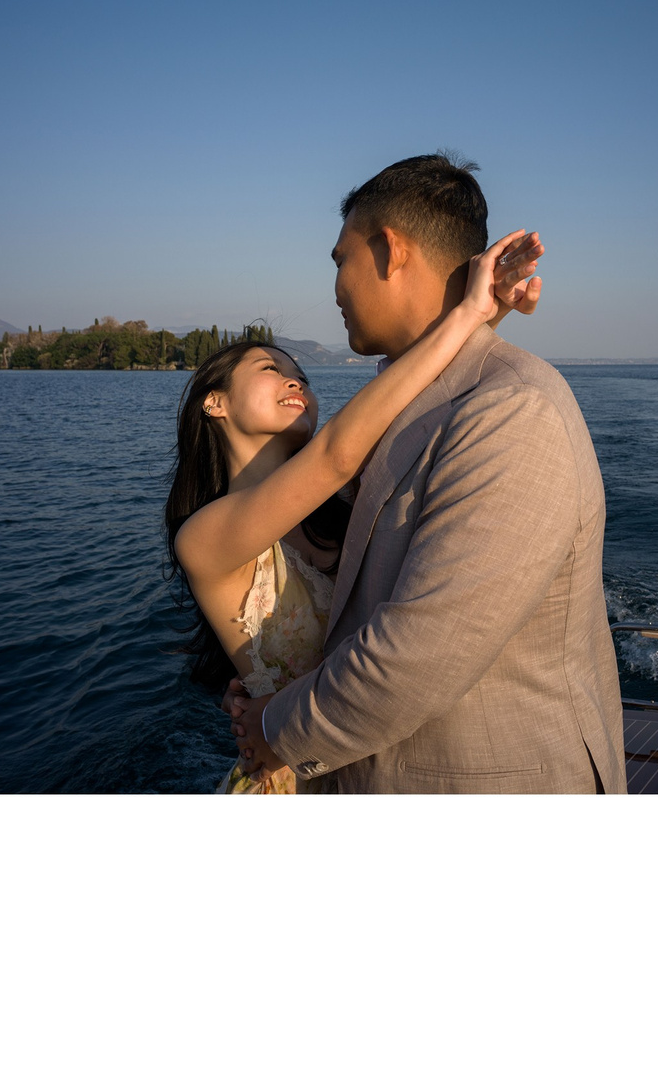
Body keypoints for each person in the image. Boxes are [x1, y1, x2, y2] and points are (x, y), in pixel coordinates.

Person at [223, 153, 626, 793]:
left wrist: (275, 726)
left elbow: (420, 658)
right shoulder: (413, 400)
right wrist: (274, 673)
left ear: (390, 251)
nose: (335, 287)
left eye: (340, 259)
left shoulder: (512, 409)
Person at [168, 223, 542, 793]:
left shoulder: (340, 503)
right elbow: (337, 453)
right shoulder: (203, 539)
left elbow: (415, 407)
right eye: (271, 370)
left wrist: (491, 313)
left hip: (378, 763)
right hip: (292, 778)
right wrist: (469, 312)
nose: (296, 383)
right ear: (214, 402)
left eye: (302, 377)